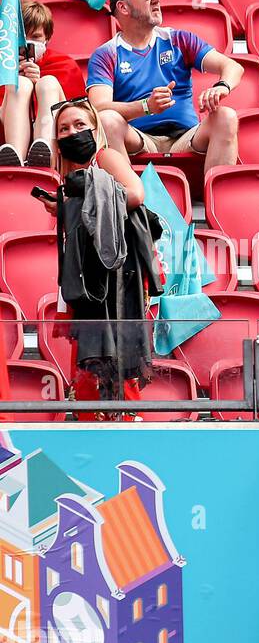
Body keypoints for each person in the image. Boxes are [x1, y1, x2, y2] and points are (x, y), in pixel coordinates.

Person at [44, 98, 155, 420]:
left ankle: (124, 431)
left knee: (116, 362)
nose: (72, 132)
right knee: (89, 366)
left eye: (80, 125)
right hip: (86, 279)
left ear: (95, 129)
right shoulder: (71, 173)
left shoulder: (105, 157)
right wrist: (63, 206)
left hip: (117, 281)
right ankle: (91, 424)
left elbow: (135, 195)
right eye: (64, 129)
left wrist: (86, 192)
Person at [89, 0, 242, 178]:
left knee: (226, 116)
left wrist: (222, 86)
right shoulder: (106, 54)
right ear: (123, 7)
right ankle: (131, 200)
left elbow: (233, 67)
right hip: (140, 140)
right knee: (107, 120)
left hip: (186, 137)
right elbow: (98, 107)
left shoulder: (178, 39)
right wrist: (145, 107)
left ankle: (220, 203)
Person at [0, 0, 86, 167]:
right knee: (20, 85)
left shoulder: (64, 65)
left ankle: (45, 154)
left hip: (61, 150)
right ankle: (15, 158)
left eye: (36, 37)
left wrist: (38, 85)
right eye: (22, 37)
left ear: (47, 38)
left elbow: (82, 118)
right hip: (4, 138)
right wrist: (10, 81)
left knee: (48, 83)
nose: (28, 43)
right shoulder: (2, 66)